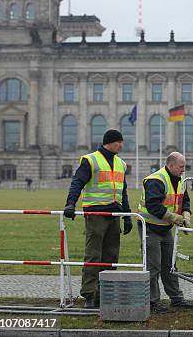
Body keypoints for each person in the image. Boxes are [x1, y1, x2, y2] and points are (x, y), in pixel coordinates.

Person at [63, 129, 132, 309]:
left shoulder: (121, 164)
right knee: (93, 255)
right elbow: (77, 182)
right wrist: (70, 203)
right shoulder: (90, 160)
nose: (122, 145)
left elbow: (123, 192)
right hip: (95, 214)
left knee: (111, 257)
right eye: (119, 142)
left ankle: (106, 293)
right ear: (110, 142)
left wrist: (127, 216)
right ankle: (90, 294)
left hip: (114, 215)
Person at [138, 152, 193, 313]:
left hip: (165, 228)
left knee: (170, 265)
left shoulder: (181, 180)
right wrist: (174, 217)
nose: (184, 170)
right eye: (181, 167)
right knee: (153, 265)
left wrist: (186, 215)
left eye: (184, 167)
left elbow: (185, 200)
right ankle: (152, 302)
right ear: (170, 165)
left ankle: (176, 298)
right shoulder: (156, 180)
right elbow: (153, 206)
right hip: (149, 226)